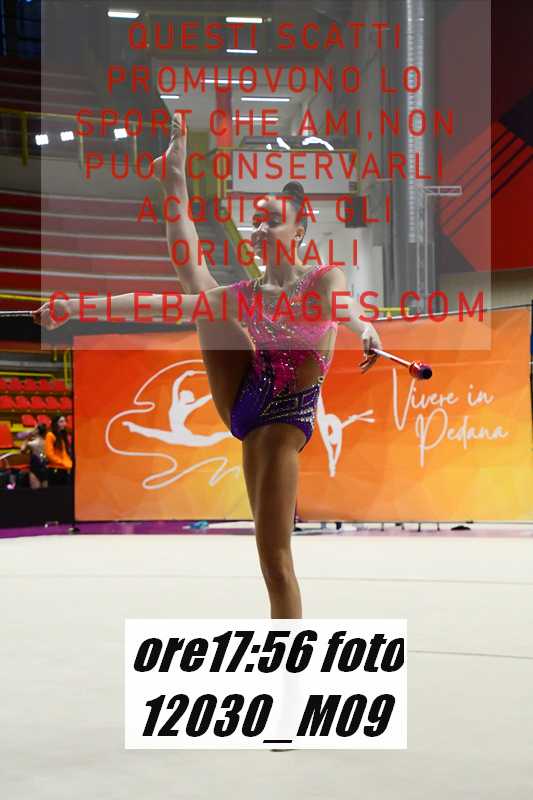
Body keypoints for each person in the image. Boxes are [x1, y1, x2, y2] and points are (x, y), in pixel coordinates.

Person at [33, 115, 382, 619]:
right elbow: (158, 305)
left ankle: (288, 657)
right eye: (257, 222)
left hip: (285, 422)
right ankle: (173, 181)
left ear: (301, 229)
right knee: (198, 293)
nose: (260, 228)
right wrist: (74, 308)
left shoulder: (325, 279)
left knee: (275, 563)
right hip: (245, 400)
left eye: (272, 220)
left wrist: (364, 328)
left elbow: (344, 309)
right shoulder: (246, 295)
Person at [44, 415, 73, 485]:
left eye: (65, 421)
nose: (64, 424)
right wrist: (62, 462)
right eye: (61, 422)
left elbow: (65, 453)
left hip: (64, 468)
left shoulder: (63, 435)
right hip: (55, 469)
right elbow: (49, 455)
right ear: (55, 423)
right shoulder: (50, 435)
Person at [20, 422, 49, 489]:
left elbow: (22, 451)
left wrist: (27, 438)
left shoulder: (32, 444)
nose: (33, 430)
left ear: (37, 431)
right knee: (46, 492)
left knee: (36, 493)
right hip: (46, 468)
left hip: (35, 469)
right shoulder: (47, 442)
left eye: (34, 429)